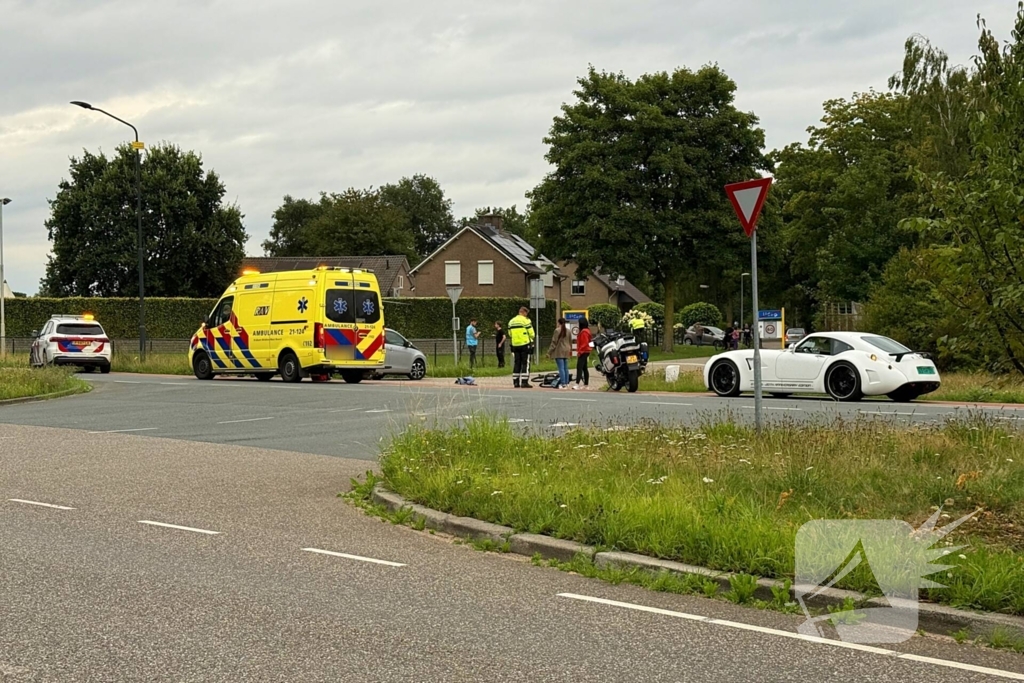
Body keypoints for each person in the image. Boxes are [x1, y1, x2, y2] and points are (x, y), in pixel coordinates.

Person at [508, 306, 535, 388]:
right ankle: (524, 382)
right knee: (525, 363)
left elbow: (510, 334)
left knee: (517, 363)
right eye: (526, 314)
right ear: (524, 312)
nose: (526, 315)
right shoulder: (526, 321)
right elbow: (532, 334)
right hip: (525, 344)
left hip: (515, 345)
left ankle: (516, 382)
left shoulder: (511, 321)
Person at [548, 318, 572, 389]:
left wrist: (549, 352)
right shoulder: (568, 331)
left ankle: (563, 383)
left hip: (559, 350)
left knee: (561, 368)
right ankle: (567, 383)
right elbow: (570, 341)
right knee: (565, 368)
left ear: (559, 323)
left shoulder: (557, 330)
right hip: (566, 350)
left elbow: (554, 342)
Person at [573, 318, 592, 391]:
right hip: (586, 351)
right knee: (584, 368)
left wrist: (579, 352)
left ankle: (577, 383)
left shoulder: (584, 332)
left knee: (579, 367)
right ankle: (586, 384)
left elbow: (584, 343)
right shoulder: (587, 331)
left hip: (583, 351)